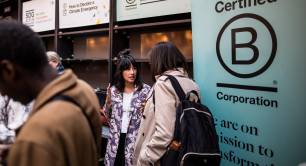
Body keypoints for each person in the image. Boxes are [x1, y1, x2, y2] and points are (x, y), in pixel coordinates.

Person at [0, 21, 101, 166]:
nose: (2, 92)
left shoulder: (35, 137)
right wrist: (22, 154)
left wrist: (28, 151)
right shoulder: (84, 90)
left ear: (8, 70)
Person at [133, 42, 200, 165]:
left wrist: (144, 159)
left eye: (151, 61)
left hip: (164, 158)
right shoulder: (191, 82)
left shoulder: (163, 84)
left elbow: (164, 134)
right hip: (186, 152)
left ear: (159, 61)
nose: (150, 65)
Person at [102, 50, 150, 166]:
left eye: (134, 68)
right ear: (121, 71)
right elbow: (107, 117)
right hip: (115, 140)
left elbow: (150, 119)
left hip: (135, 141)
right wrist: (108, 102)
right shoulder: (114, 90)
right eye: (128, 69)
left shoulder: (146, 90)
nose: (132, 72)